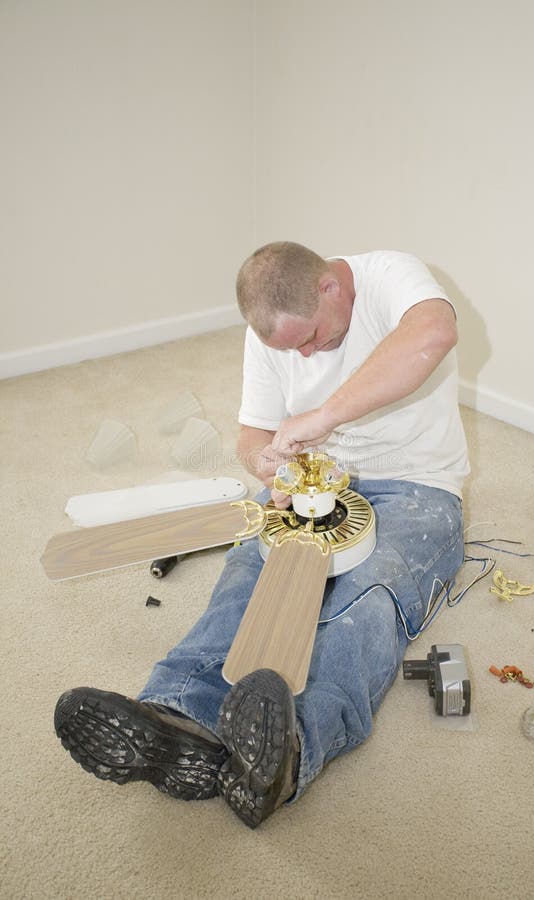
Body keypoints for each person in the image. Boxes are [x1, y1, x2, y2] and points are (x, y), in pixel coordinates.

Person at [54, 242, 469, 828]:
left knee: (367, 595)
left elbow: (433, 335)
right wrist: (268, 464)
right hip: (313, 486)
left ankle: (292, 749)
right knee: (250, 569)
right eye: (290, 348)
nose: (302, 353)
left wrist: (323, 417)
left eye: (309, 338)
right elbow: (253, 434)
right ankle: (178, 717)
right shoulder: (272, 334)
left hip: (417, 488)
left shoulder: (392, 276)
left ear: (330, 286)